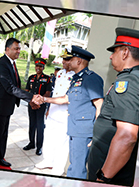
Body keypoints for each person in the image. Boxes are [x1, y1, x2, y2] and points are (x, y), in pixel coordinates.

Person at [87, 28, 139, 185]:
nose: (111, 56)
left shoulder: (129, 81)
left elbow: (127, 136)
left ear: (125, 52)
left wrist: (103, 177)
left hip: (111, 173)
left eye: (114, 51)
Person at [38, 45, 104, 179]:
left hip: (83, 129)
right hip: (74, 126)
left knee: (78, 167)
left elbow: (100, 105)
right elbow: (66, 98)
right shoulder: (77, 78)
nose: (68, 61)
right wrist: (44, 99)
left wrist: (96, 133)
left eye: (71, 58)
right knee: (74, 165)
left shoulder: (91, 78)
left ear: (79, 61)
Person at [0, 38, 37, 169]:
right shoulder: (2, 64)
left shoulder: (11, 63)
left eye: (19, 48)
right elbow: (10, 88)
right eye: (16, 48)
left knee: (3, 134)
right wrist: (31, 97)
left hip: (6, 107)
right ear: (7, 49)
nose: (19, 51)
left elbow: (16, 85)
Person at [34, 62, 75, 174]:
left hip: (64, 114)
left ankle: (58, 168)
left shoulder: (75, 75)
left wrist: (44, 100)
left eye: (66, 60)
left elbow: (66, 98)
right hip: (53, 111)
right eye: (63, 60)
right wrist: (48, 109)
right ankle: (48, 161)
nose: (63, 62)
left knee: (61, 143)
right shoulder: (60, 72)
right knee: (48, 139)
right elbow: (55, 92)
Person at [24, 59, 52, 156]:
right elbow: (27, 91)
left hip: (41, 106)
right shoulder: (31, 77)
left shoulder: (47, 79)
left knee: (40, 126)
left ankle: (39, 147)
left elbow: (48, 93)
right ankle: (31, 143)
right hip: (31, 105)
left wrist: (38, 102)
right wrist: (31, 102)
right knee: (32, 124)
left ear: (43, 68)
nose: (38, 68)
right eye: (37, 66)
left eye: (40, 66)